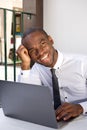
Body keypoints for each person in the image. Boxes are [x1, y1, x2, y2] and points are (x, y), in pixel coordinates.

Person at [17, 28, 87, 121]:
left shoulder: (83, 63)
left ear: (50, 40)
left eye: (42, 44)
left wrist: (81, 107)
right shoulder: (37, 68)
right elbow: (27, 100)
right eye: (32, 51)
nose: (40, 53)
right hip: (56, 120)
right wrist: (25, 65)